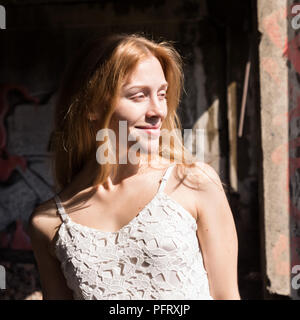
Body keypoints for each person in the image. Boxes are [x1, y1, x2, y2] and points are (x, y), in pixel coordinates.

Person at [27, 33, 240, 300]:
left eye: (161, 94)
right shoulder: (48, 223)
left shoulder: (194, 183)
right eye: (139, 96)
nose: (158, 111)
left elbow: (227, 296)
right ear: (92, 106)